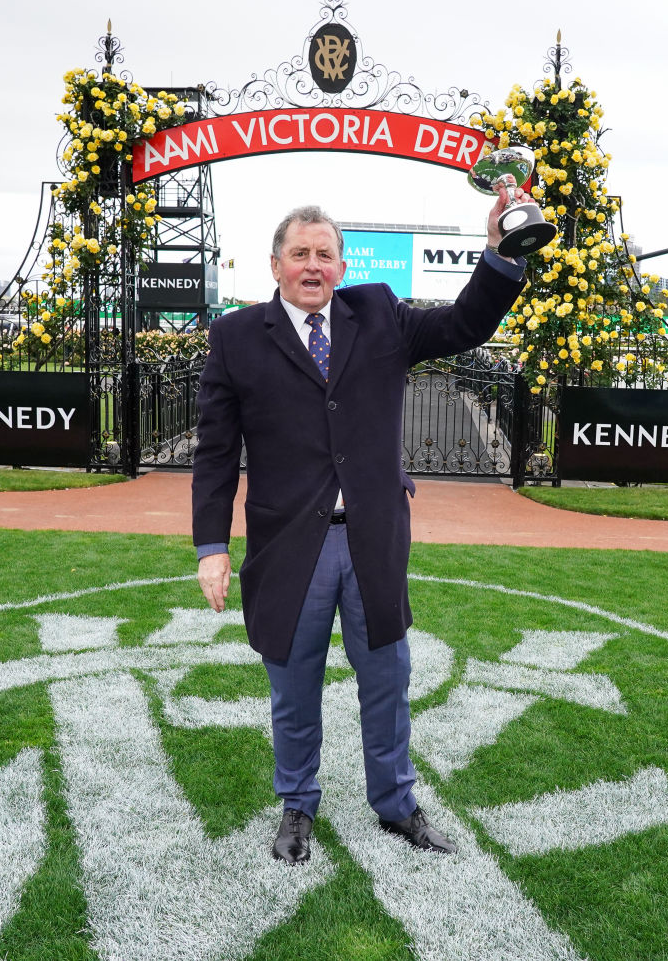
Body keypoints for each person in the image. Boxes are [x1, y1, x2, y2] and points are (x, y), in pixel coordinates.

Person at [193, 184, 532, 864]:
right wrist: (211, 546)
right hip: (290, 544)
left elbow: (465, 325)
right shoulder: (235, 337)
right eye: (300, 254)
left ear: (342, 267)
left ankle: (397, 804)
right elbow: (215, 453)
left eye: (325, 254)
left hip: (372, 539)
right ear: (275, 265)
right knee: (293, 689)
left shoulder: (378, 314)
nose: (312, 265)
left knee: (387, 682)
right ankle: (296, 805)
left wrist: (498, 249)